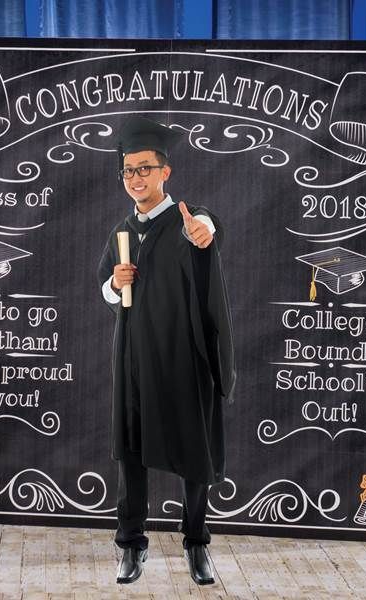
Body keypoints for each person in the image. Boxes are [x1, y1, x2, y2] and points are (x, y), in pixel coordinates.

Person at [97, 116, 236, 586]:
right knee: (130, 453)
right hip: (133, 359)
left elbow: (208, 231)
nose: (135, 178)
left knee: (193, 450)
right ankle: (131, 545)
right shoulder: (121, 230)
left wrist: (206, 229)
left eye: (144, 168)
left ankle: (197, 545)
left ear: (165, 172)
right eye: (128, 171)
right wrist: (115, 284)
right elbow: (105, 291)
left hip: (184, 357)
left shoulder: (187, 220)